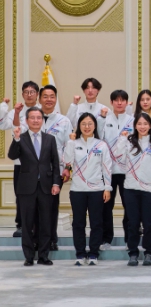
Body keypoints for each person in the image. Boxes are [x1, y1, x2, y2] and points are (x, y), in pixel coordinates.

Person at [8, 107, 62, 266]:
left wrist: (56, 183)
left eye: (39, 117)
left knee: (46, 221)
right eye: (32, 117)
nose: (36, 120)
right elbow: (12, 155)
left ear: (42, 120)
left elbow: (55, 163)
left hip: (46, 186)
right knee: (27, 222)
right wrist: (16, 139)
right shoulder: (21, 137)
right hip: (26, 187)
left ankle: (44, 256)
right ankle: (29, 256)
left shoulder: (50, 139)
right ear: (27, 120)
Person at [63, 113, 112, 266]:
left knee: (96, 222)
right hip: (77, 190)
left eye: (90, 123)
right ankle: (80, 254)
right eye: (83, 124)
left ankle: (93, 254)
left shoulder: (101, 145)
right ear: (79, 126)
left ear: (95, 126)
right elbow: (67, 161)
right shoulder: (74, 143)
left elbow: (107, 168)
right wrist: (70, 142)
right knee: (78, 223)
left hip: (97, 190)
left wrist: (107, 188)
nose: (87, 127)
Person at [117, 113, 151, 266]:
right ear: (135, 126)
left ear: (150, 126)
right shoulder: (129, 142)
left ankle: (149, 252)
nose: (142, 127)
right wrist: (122, 139)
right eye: (139, 124)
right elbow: (119, 158)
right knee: (133, 223)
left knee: (149, 223)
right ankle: (133, 253)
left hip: (149, 190)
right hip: (131, 189)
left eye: (145, 124)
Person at [0, 81, 41, 238]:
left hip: (39, 163)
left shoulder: (41, 111)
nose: (29, 95)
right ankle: (22, 225)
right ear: (22, 94)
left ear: (37, 94)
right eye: (26, 92)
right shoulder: (14, 112)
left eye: (32, 92)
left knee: (40, 196)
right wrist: (5, 106)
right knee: (21, 195)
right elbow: (3, 125)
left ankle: (38, 226)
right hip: (21, 163)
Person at [37, 85, 73, 252]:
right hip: (34, 170)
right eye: (45, 96)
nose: (49, 99)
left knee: (51, 206)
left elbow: (69, 146)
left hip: (55, 170)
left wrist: (67, 168)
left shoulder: (64, 121)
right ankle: (36, 239)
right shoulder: (33, 118)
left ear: (56, 99)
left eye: (52, 96)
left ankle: (52, 239)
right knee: (35, 207)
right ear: (39, 99)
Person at [99, 90, 134, 251]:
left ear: (127, 102)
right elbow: (98, 140)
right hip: (108, 170)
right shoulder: (104, 120)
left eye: (122, 100)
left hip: (128, 171)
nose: (119, 103)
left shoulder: (133, 121)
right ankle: (106, 239)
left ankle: (130, 240)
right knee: (106, 207)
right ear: (111, 102)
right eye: (116, 100)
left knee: (130, 206)